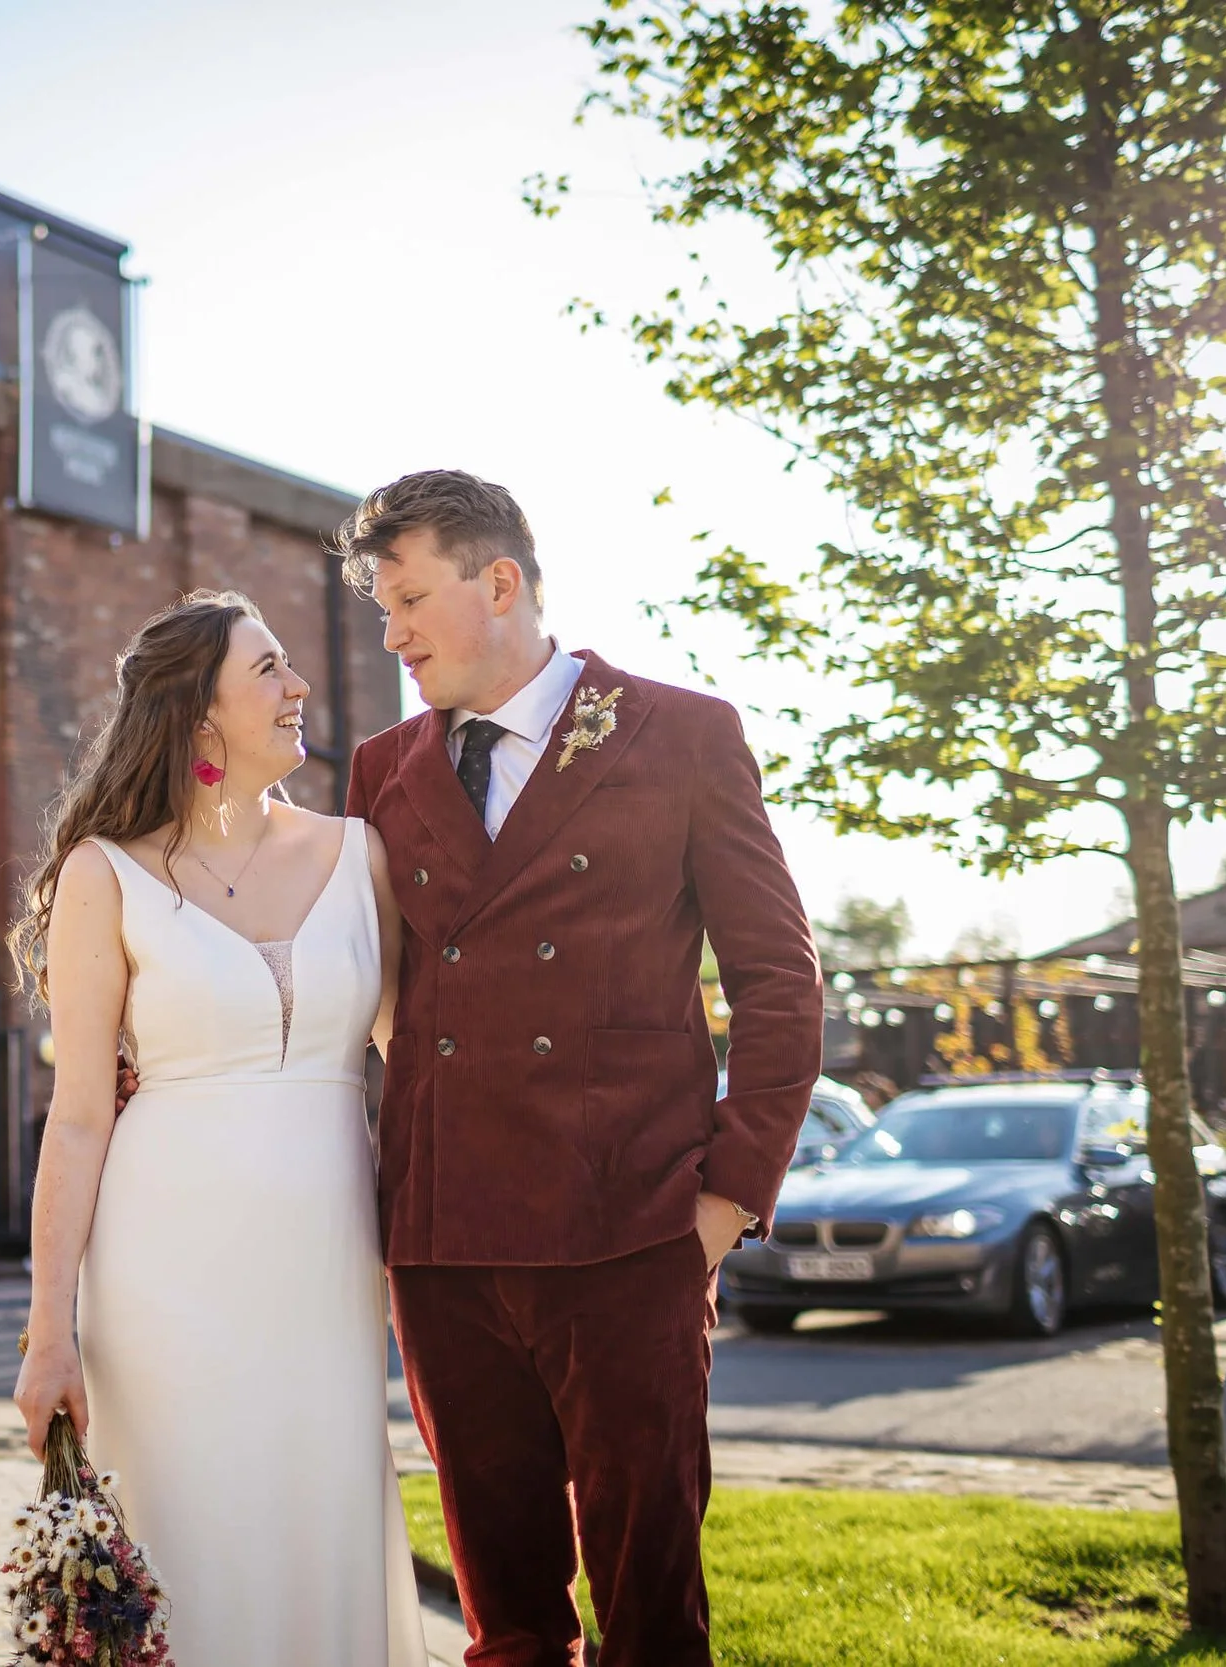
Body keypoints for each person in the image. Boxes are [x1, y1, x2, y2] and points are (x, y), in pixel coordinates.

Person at [333, 469, 824, 1665]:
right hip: (444, 1239)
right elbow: (367, 1004)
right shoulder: (379, 769)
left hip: (628, 1229)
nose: (389, 633)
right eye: (380, 609)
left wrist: (722, 1201)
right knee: (506, 1613)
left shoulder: (683, 735)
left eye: (407, 599)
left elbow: (779, 980)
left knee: (651, 1605)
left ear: (498, 581)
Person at [9, 590, 429, 1667]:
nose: (298, 690)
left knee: (317, 1520)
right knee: (191, 1543)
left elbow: (413, 1054)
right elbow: (78, 1114)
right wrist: (48, 1328)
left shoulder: (357, 851)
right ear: (200, 715)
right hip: (161, 1275)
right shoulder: (104, 873)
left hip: (327, 1267)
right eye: (270, 669)